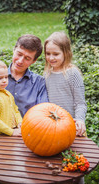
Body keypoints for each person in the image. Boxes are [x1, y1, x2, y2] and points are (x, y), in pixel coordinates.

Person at [0, 34, 49, 184]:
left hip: (27, 140)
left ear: (34, 61)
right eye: (19, 54)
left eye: (27, 58)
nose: (20, 60)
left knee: (27, 177)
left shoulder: (39, 83)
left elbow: (43, 114)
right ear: (14, 49)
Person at [44, 31, 87, 184]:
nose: (51, 58)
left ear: (66, 52)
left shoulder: (72, 73)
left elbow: (80, 103)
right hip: (54, 129)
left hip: (73, 127)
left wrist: (80, 120)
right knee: (58, 165)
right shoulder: (47, 73)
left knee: (75, 166)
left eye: (55, 54)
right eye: (48, 53)